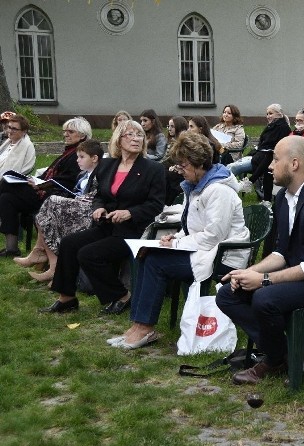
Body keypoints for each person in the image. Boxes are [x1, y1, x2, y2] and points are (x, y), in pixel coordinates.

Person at [216, 136, 304, 384]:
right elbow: (282, 252)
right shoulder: (284, 197)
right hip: (302, 273)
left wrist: (263, 280)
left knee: (264, 297)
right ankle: (288, 351)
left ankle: (274, 359)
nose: (269, 165)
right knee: (228, 293)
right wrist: (249, 273)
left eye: (275, 159)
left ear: (294, 164)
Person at [108, 132, 250, 350]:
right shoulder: (197, 186)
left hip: (225, 256)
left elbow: (214, 235)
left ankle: (145, 327)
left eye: (183, 166)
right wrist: (176, 237)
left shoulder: (218, 190)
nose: (179, 171)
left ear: (199, 163)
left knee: (156, 263)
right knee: (145, 255)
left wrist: (176, 244)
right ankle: (138, 324)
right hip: (206, 251)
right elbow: (193, 228)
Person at [41, 120, 166, 314]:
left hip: (134, 231)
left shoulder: (153, 169)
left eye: (140, 135)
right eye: (130, 135)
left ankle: (122, 296)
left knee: (88, 254)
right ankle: (66, 298)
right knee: (69, 243)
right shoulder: (107, 165)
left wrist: (130, 213)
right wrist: (98, 208)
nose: (136, 139)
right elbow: (99, 195)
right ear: (118, 140)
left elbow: (156, 205)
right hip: (106, 226)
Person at [0, 117, 89, 257]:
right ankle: (12, 248)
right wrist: (35, 180)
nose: (66, 134)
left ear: (83, 135)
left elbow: (70, 180)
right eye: (65, 131)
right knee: (6, 198)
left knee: (5, 183)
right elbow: (49, 173)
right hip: (43, 190)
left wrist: (41, 184)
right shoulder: (69, 151)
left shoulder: (80, 154)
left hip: (54, 196)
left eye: (71, 131)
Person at [18, 139, 103, 281]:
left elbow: (98, 196)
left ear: (94, 158)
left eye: (82, 157)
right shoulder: (82, 175)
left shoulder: (101, 174)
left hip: (89, 211)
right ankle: (52, 264)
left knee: (50, 204)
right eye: (77, 157)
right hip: (76, 208)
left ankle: (46, 259)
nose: (77, 161)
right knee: (46, 214)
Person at [229, 104, 291, 195]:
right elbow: (262, 144)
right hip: (258, 157)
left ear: (279, 114)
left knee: (235, 167)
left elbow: (278, 147)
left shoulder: (283, 128)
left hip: (269, 158)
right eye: (267, 114)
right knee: (230, 167)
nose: (268, 116)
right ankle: (231, 189)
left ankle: (249, 183)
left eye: (271, 113)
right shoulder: (270, 126)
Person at [163, 116, 189, 204]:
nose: (169, 129)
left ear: (180, 127)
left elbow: (173, 160)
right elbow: (166, 159)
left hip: (180, 171)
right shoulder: (171, 141)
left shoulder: (184, 142)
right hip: (171, 168)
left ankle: (168, 202)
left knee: (165, 175)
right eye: (168, 126)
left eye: (172, 126)